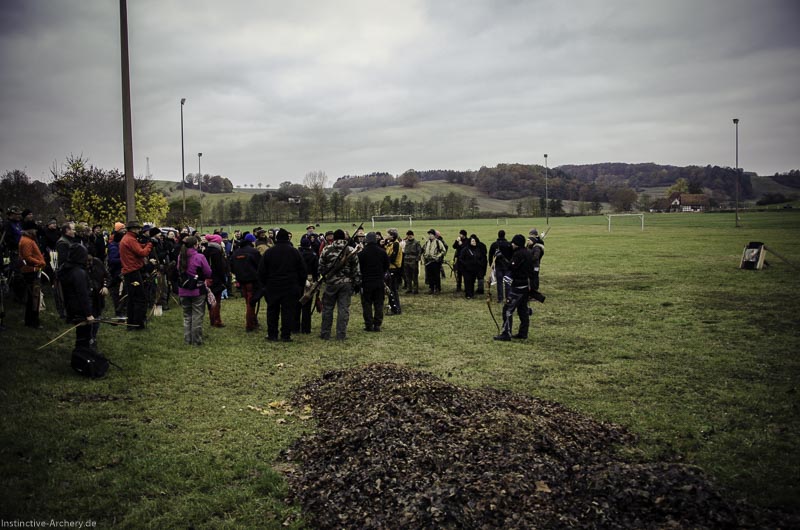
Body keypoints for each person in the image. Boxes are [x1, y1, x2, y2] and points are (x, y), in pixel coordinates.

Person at [258, 228, 305, 342]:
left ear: (276, 238)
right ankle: (286, 335)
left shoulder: (269, 252)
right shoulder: (295, 252)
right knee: (288, 311)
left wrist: (264, 285)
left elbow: (261, 271)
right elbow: (302, 270)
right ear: (287, 238)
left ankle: (272, 334)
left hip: (272, 286)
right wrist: (300, 286)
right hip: (290, 286)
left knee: (272, 311)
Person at [318, 229, 360, 340]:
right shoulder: (350, 250)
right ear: (344, 238)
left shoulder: (326, 249)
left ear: (334, 238)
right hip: (346, 284)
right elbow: (356, 269)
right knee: (343, 309)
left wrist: (326, 278)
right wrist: (356, 283)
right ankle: (341, 334)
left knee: (327, 309)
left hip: (331, 283)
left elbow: (320, 267)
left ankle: (325, 333)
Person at [494, 234, 536, 341]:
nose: (511, 244)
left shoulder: (518, 254)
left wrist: (501, 258)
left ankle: (506, 334)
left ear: (517, 244)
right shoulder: (528, 253)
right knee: (523, 310)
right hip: (525, 286)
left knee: (507, 310)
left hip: (517, 287)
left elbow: (511, 267)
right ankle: (523, 333)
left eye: (513, 243)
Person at [58, 243, 95, 351]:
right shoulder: (78, 272)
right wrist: (88, 314)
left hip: (71, 306)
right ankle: (82, 355)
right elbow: (82, 294)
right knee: (84, 335)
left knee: (81, 335)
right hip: (79, 309)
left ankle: (81, 353)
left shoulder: (67, 268)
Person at [177, 236, 212, 346]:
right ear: (195, 245)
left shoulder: (180, 257)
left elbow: (179, 270)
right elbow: (208, 272)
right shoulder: (199, 257)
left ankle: (187, 339)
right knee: (197, 315)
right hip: (197, 289)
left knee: (187, 316)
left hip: (183, 289)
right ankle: (196, 340)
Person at [119, 220, 153, 330]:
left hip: (129, 272)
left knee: (132, 299)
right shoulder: (130, 239)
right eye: (138, 228)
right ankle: (138, 324)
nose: (139, 230)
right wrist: (149, 244)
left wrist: (144, 244)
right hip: (132, 272)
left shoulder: (129, 238)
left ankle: (131, 323)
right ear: (133, 229)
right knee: (139, 298)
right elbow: (142, 253)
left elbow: (137, 247)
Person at [358, 232, 389, 332]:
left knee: (367, 304)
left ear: (366, 240)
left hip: (366, 282)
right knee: (379, 303)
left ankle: (368, 325)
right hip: (379, 281)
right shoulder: (382, 252)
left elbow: (359, 268)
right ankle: (377, 325)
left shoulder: (362, 253)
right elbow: (386, 266)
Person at [229, 233, 261, 332]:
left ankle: (253, 320)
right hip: (252, 280)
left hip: (241, 280)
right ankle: (250, 324)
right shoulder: (254, 252)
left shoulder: (236, 253)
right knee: (251, 302)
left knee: (247, 300)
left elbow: (232, 266)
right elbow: (260, 266)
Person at [19, 220, 46, 328]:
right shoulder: (27, 241)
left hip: (32, 270)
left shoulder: (28, 240)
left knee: (33, 298)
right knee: (34, 298)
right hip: (31, 271)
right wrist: (40, 262)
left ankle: (30, 320)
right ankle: (32, 322)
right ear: (30, 230)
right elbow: (27, 257)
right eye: (34, 229)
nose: (36, 231)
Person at [204, 234, 229, 328]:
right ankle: (217, 320)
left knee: (210, 300)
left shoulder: (206, 251)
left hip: (208, 279)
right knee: (216, 301)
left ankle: (212, 319)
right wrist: (223, 279)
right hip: (216, 279)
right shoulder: (216, 252)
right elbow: (220, 268)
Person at [296, 236, 319, 334]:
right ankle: (306, 328)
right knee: (307, 304)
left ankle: (295, 327)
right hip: (309, 279)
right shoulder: (313, 254)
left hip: (297, 279)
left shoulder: (297, 254)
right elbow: (316, 269)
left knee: (296, 304)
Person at [489, 230, 513, 303]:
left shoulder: (494, 245)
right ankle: (508, 298)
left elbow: (490, 256)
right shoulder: (509, 244)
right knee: (507, 282)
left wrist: (491, 265)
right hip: (507, 266)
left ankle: (500, 298)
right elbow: (512, 255)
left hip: (498, 266)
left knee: (499, 282)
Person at [384, 228, 403, 315]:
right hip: (390, 268)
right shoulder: (389, 244)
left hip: (393, 269)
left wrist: (384, 259)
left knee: (392, 290)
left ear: (392, 236)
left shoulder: (395, 244)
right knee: (391, 289)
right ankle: (394, 307)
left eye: (388, 234)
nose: (386, 236)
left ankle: (396, 308)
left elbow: (392, 258)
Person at [422, 229, 446, 294]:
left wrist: (437, 257)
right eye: (429, 234)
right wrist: (424, 256)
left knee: (436, 276)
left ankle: (438, 289)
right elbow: (424, 249)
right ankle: (431, 288)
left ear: (434, 235)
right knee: (430, 276)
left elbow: (443, 251)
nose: (430, 236)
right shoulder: (427, 242)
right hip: (428, 261)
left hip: (435, 262)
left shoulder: (438, 242)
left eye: (431, 234)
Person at [458, 235, 482, 300]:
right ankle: (468, 294)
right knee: (467, 281)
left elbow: (479, 257)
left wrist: (478, 263)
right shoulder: (466, 249)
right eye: (472, 241)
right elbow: (461, 258)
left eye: (475, 241)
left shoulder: (477, 249)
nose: (474, 242)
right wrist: (465, 264)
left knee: (472, 281)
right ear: (470, 242)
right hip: (466, 269)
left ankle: (472, 293)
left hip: (474, 269)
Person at [402, 230, 422, 295]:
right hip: (406, 260)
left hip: (413, 261)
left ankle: (415, 289)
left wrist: (417, 259)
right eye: (408, 235)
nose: (409, 236)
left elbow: (419, 251)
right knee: (407, 276)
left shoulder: (416, 243)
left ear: (413, 235)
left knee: (414, 276)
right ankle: (409, 288)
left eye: (411, 235)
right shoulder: (405, 242)